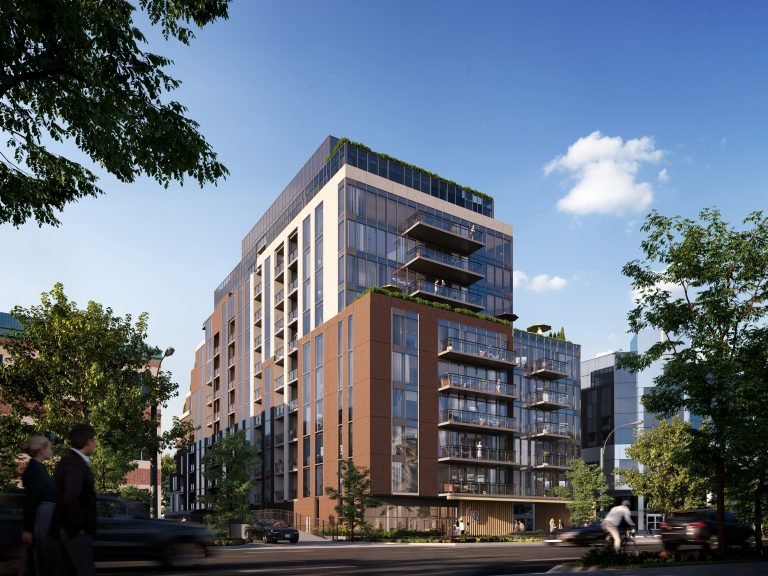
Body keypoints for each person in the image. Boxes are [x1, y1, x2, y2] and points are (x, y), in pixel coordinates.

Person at [52, 424, 97, 576]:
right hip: (74, 532)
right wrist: (80, 526)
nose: (95, 444)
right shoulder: (76, 463)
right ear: (88, 441)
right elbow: (70, 498)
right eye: (94, 440)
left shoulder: (67, 460)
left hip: (66, 529)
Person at [20, 435, 58, 576]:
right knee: (44, 559)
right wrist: (28, 529)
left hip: (47, 518)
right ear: (42, 449)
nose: (51, 451)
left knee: (47, 558)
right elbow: (30, 501)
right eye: (49, 448)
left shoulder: (39, 468)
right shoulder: (34, 470)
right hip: (43, 519)